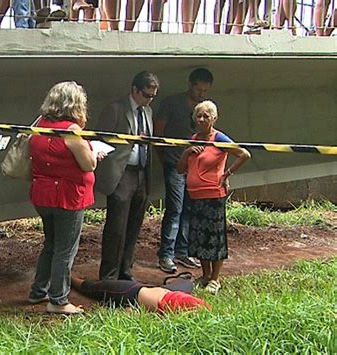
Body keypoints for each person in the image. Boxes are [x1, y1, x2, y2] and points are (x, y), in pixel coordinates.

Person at [28, 81, 105, 315]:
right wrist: (95, 153)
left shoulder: (40, 125)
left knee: (50, 244)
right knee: (65, 249)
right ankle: (58, 300)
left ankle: (37, 291)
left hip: (42, 195)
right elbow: (87, 164)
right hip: (68, 197)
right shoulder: (72, 130)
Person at [177, 100, 250, 295]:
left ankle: (215, 279)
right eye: (198, 116)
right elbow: (180, 169)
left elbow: (244, 154)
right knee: (200, 237)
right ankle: (205, 275)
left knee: (215, 238)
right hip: (195, 196)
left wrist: (227, 173)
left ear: (214, 118)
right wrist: (187, 152)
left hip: (213, 195)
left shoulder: (219, 138)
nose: (201, 119)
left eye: (205, 116)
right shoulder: (194, 139)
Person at [95, 71, 159, 281]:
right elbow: (101, 142)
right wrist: (131, 140)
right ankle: (109, 275)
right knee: (116, 227)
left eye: (152, 96)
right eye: (146, 95)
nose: (149, 100)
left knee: (134, 226)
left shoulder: (147, 111)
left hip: (141, 172)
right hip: (121, 173)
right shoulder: (115, 109)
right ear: (134, 90)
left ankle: (126, 271)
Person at [154, 68, 213, 274]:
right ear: (190, 84)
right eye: (199, 90)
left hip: (195, 167)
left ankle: (182, 250)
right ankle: (166, 254)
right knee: (175, 209)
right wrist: (163, 157)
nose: (201, 95)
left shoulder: (203, 109)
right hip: (175, 163)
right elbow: (158, 132)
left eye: (205, 91)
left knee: (189, 209)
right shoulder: (172, 103)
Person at [71, 276, 210, 312]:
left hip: (133, 293)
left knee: (91, 288)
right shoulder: (202, 309)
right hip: (162, 290)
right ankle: (68, 276)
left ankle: (67, 277)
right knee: (187, 284)